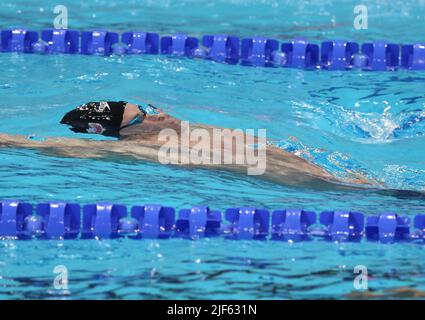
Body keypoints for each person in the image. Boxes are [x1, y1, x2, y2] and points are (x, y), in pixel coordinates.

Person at [0, 100, 373, 191]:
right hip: (314, 185)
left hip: (328, 170)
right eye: (141, 115)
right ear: (126, 133)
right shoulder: (137, 149)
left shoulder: (175, 129)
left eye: (147, 106)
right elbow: (42, 146)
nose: (157, 113)